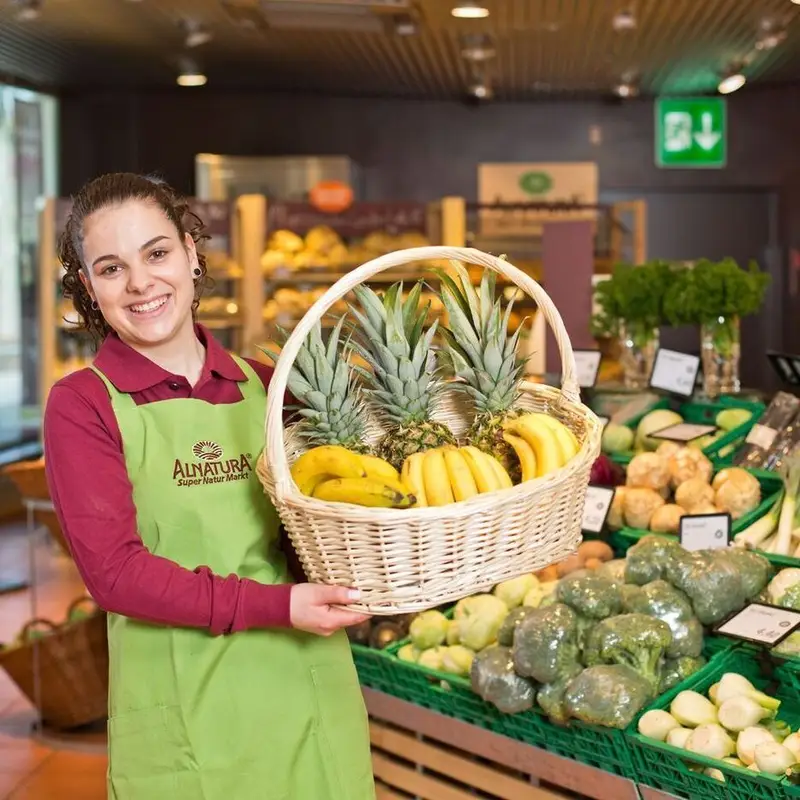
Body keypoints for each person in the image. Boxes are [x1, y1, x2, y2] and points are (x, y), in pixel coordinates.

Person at [43, 172, 376, 799]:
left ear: (192, 255)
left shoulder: (271, 387)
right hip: (185, 713)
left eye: (158, 253)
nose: (141, 283)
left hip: (308, 694)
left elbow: (335, 521)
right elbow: (115, 574)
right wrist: (281, 606)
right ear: (89, 288)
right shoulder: (83, 404)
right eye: (111, 269)